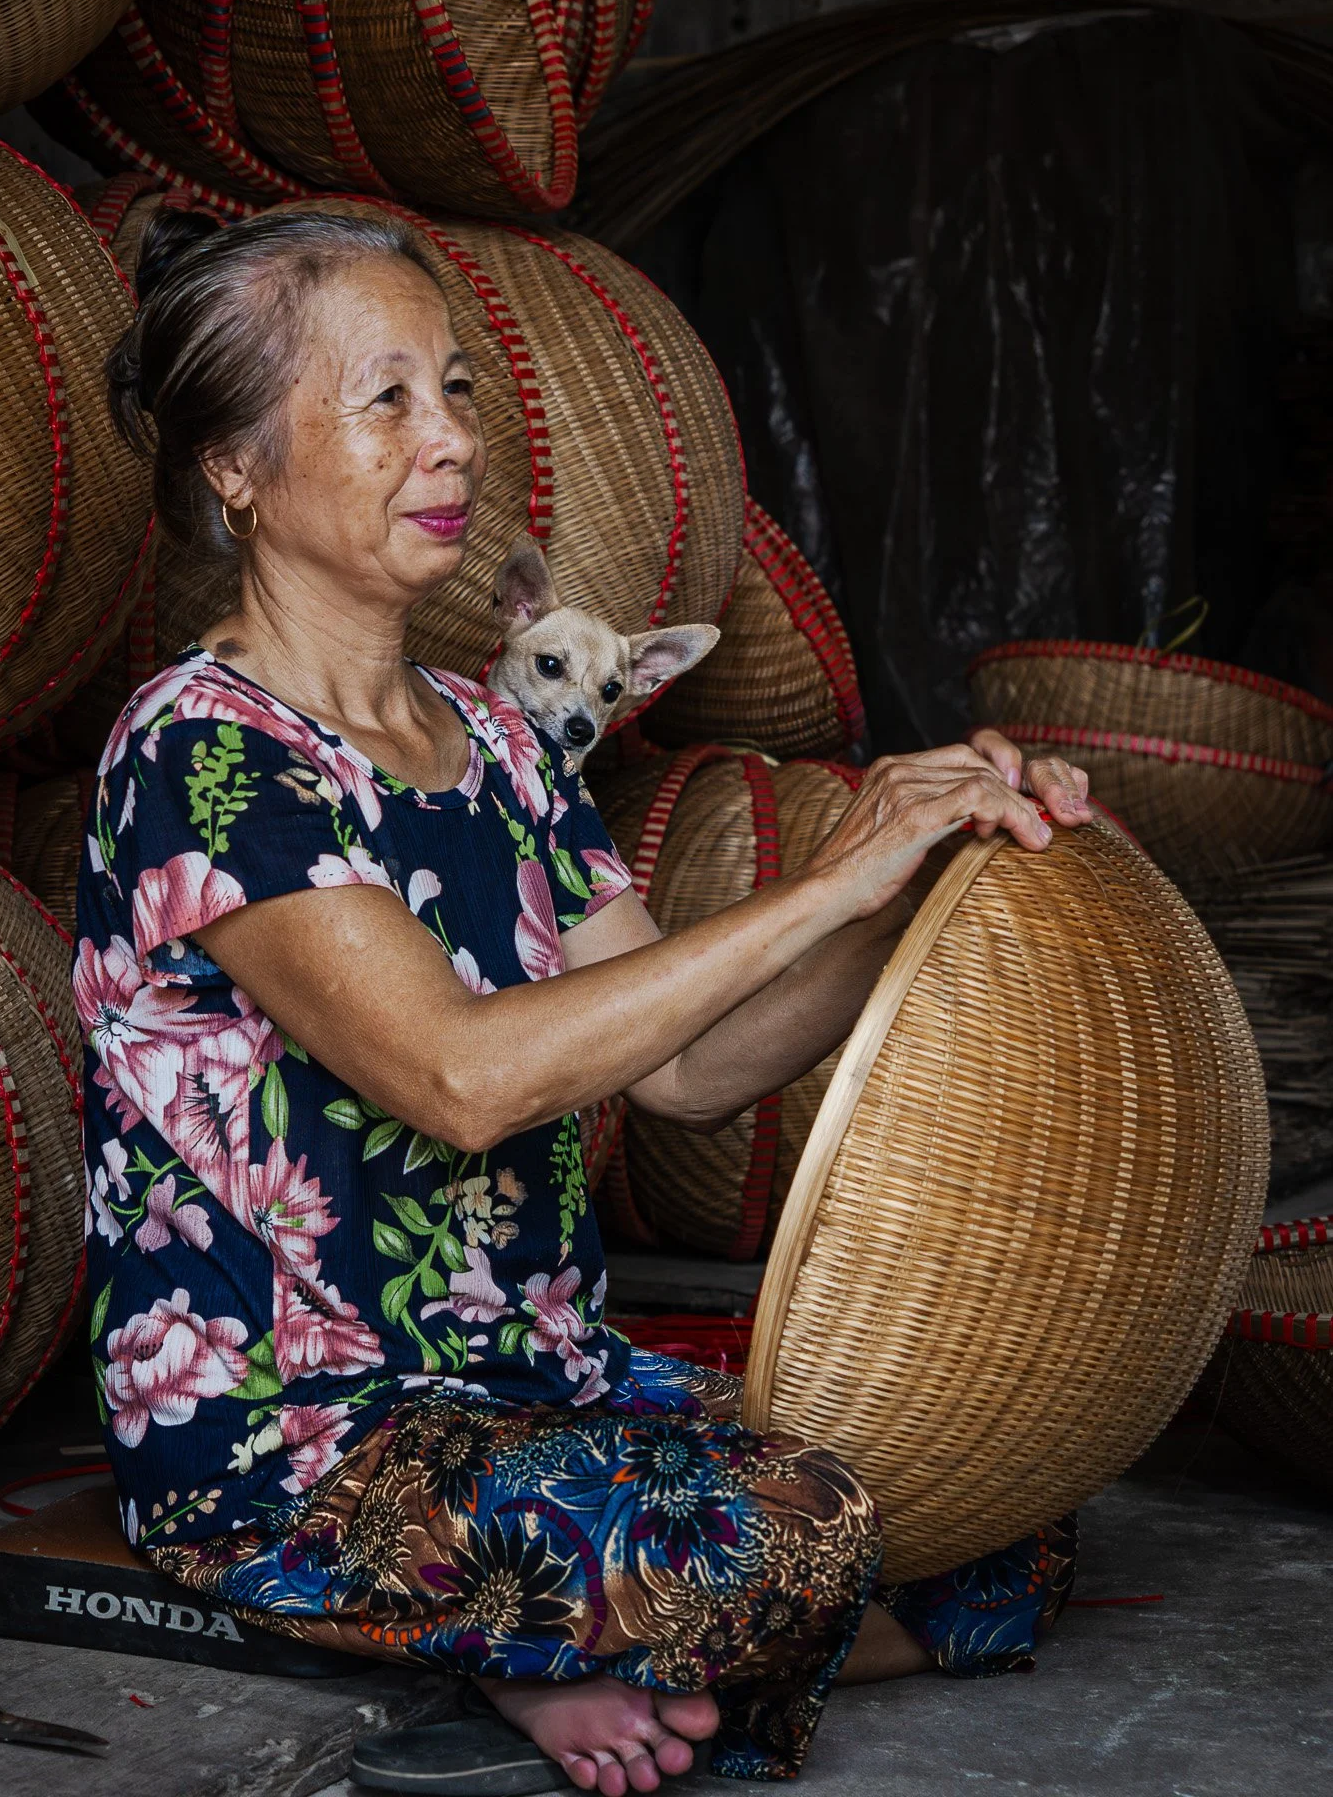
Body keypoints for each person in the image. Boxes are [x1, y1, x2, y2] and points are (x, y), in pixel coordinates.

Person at [77, 208, 1091, 1790]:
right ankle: (531, 1648)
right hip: (310, 1442)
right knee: (789, 1533)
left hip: (539, 1386)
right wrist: (829, 873)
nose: (452, 442)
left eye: (461, 391)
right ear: (236, 468)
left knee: (998, 1499)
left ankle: (559, 1650)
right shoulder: (209, 755)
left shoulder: (491, 741)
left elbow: (685, 1072)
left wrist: (909, 887)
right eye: (387, 397)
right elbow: (462, 1081)